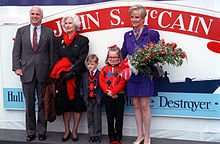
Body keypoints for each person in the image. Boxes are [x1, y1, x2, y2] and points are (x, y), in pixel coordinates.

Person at [12, 6, 54, 141]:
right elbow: (16, 51)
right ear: (29, 15)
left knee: (43, 104)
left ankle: (42, 131)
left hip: (44, 73)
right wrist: (16, 68)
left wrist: (52, 73)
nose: (35, 16)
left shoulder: (49, 32)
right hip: (26, 73)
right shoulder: (21, 31)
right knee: (29, 105)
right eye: (32, 14)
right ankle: (30, 132)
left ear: (42, 16)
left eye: (37, 14)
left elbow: (52, 54)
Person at [121, 5, 160, 144]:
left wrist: (143, 61)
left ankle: (148, 136)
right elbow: (123, 53)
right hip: (132, 75)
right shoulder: (128, 35)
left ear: (143, 18)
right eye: (132, 17)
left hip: (145, 74)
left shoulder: (152, 33)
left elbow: (158, 54)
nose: (134, 20)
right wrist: (113, 57)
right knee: (136, 106)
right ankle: (140, 135)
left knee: (145, 106)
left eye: (137, 17)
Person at [54, 14, 89, 142]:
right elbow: (56, 58)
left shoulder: (83, 40)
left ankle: (74, 131)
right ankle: (66, 130)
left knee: (77, 105)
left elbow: (81, 58)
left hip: (78, 76)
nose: (67, 25)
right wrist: (63, 72)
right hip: (63, 77)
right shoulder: (58, 41)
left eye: (70, 23)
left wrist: (72, 71)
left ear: (76, 25)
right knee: (66, 105)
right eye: (66, 23)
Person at [99, 46, 126, 144]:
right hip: (108, 96)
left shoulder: (123, 69)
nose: (112, 59)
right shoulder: (104, 69)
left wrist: (114, 92)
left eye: (114, 57)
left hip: (119, 96)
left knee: (119, 117)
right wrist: (108, 92)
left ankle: (118, 136)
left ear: (119, 57)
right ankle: (111, 135)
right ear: (107, 57)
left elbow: (122, 82)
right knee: (109, 117)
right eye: (110, 57)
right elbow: (101, 82)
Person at [80, 54, 103, 143]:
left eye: (92, 64)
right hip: (88, 99)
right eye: (89, 64)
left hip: (97, 100)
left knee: (97, 118)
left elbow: (102, 87)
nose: (90, 66)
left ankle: (97, 135)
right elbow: (81, 86)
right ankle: (91, 135)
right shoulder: (84, 75)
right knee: (90, 118)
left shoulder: (100, 74)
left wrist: (101, 97)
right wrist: (83, 95)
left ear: (97, 64)